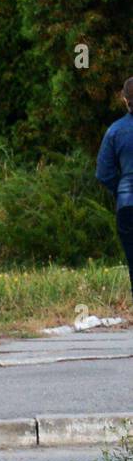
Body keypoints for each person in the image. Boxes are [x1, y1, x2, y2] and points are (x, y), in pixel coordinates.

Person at [97, 76, 133, 296]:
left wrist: (121, 191)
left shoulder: (115, 131)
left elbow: (103, 173)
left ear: (124, 99)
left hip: (127, 205)